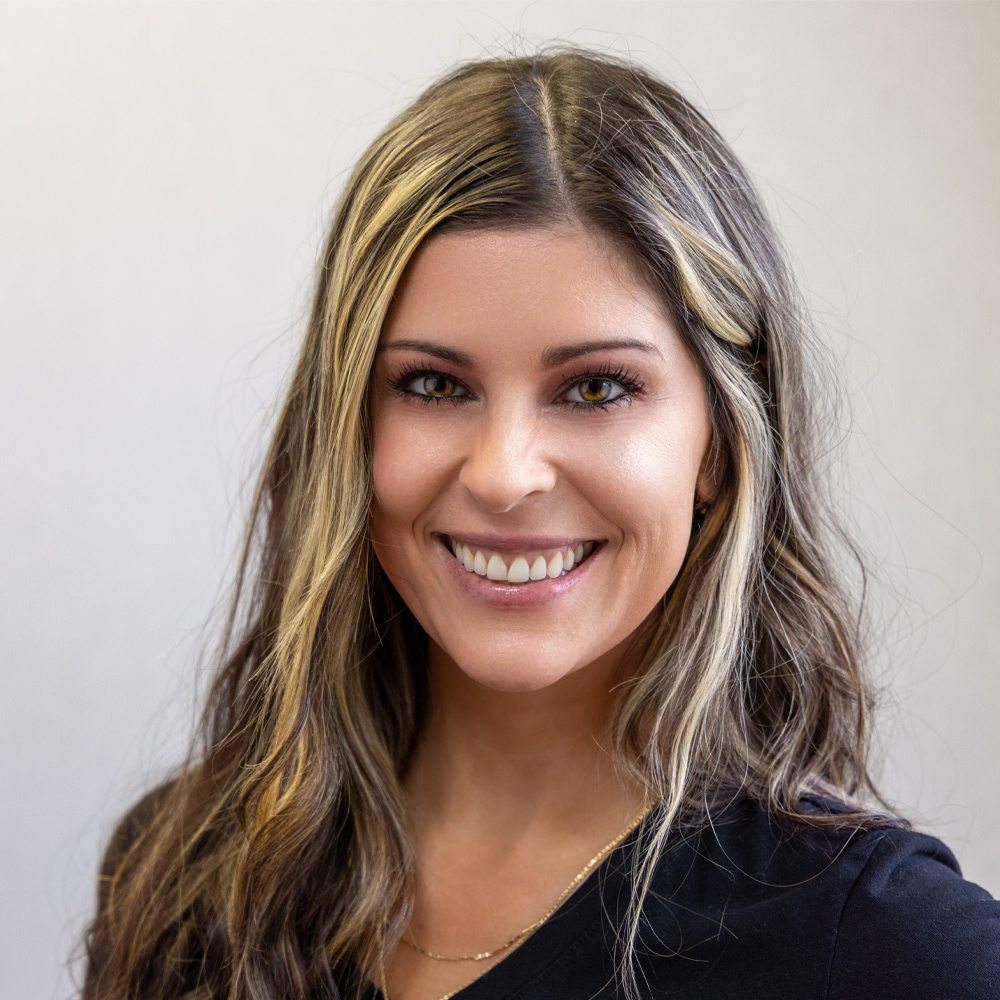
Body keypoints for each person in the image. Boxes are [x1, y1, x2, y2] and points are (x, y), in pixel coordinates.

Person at [82, 50, 1000, 1000]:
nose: (504, 475)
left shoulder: (890, 952)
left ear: (723, 443)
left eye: (597, 388)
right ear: (347, 429)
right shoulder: (183, 874)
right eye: (434, 385)